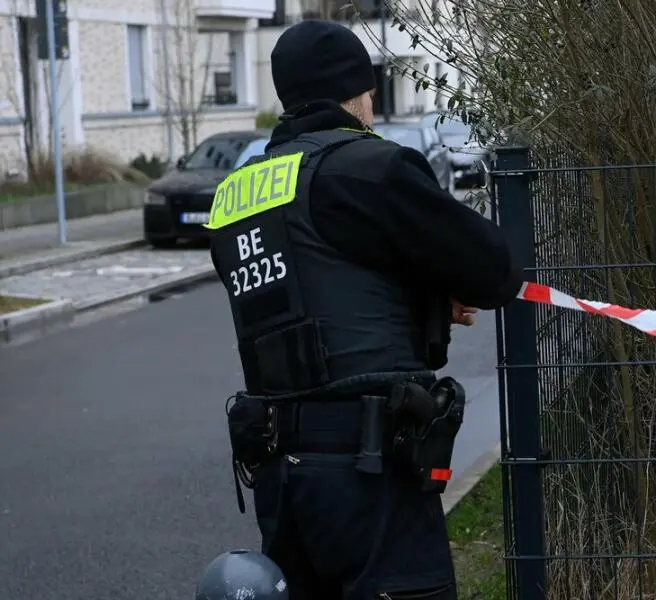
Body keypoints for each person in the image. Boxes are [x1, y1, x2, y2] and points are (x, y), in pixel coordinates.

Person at [206, 19, 523, 600]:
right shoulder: (371, 168)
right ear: (358, 92)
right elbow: (495, 270)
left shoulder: (237, 193)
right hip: (368, 465)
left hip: (280, 469)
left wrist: (421, 296)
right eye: (372, 95)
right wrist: (440, 288)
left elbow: (315, 286)